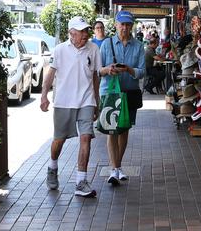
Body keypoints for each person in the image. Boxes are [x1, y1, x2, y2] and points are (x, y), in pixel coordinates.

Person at [40, 16, 101, 198]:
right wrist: (44, 96)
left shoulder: (93, 49)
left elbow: (96, 76)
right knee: (59, 140)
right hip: (64, 101)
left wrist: (96, 100)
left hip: (86, 100)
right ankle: (52, 166)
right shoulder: (59, 50)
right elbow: (50, 75)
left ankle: (81, 181)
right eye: (81, 32)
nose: (85, 34)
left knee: (86, 137)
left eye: (86, 31)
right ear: (71, 33)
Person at [99, 10, 146, 186]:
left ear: (132, 26)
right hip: (110, 92)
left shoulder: (139, 46)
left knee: (124, 130)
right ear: (116, 25)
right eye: (122, 24)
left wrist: (129, 69)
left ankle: (117, 167)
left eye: (128, 25)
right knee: (112, 130)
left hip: (129, 93)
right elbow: (98, 70)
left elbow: (142, 72)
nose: (124, 28)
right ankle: (114, 169)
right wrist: (108, 69)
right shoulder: (106, 44)